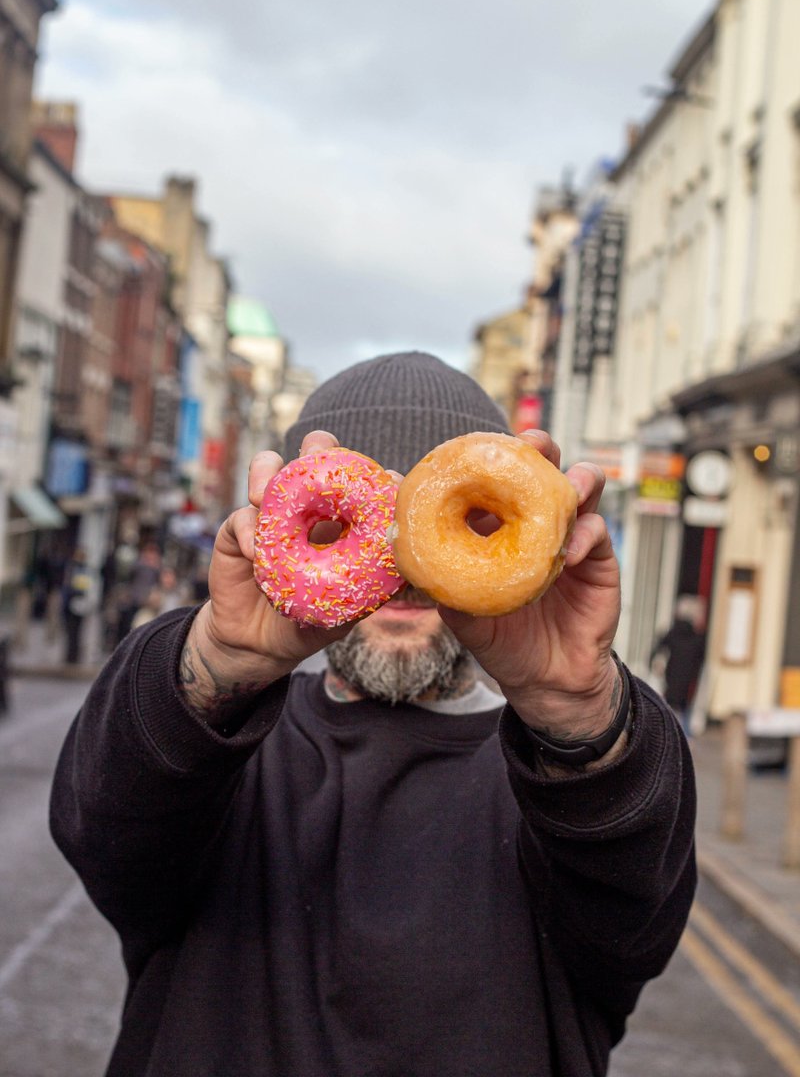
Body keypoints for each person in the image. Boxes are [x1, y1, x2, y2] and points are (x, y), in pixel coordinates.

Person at [50, 351, 696, 1077]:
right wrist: (219, 661)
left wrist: (577, 709)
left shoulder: (560, 781)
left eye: (451, 521)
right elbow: (102, 822)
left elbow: (636, 920)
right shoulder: (217, 748)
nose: (402, 564)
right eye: (362, 523)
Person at [651, 595, 707, 735]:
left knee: (666, 713)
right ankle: (685, 741)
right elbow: (700, 665)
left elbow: (655, 654)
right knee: (685, 714)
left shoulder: (671, 634)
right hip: (688, 684)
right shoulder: (698, 639)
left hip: (669, 680)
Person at [60, 547, 97, 665]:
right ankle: (72, 655)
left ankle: (71, 656)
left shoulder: (75, 568)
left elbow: (73, 586)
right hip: (77, 602)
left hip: (75, 602)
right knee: (75, 631)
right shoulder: (80, 568)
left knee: (73, 631)